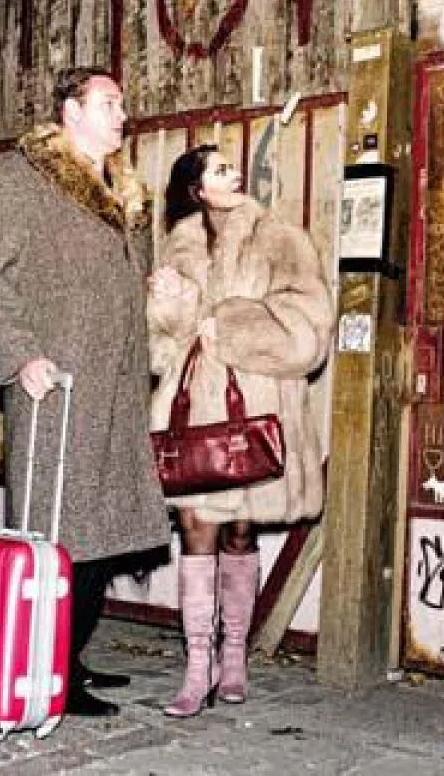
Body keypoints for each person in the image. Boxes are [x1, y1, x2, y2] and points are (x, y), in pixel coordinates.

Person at [0, 66, 171, 718]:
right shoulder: (21, 177)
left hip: (116, 386)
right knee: (60, 532)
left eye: (122, 104)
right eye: (109, 103)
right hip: (58, 384)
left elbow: (121, 287)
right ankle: (43, 665)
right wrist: (21, 353)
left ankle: (67, 657)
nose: (122, 115)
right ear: (70, 111)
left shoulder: (127, 195)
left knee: (104, 534)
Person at [146, 144, 334, 718]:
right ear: (196, 189)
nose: (231, 172)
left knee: (239, 536)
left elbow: (310, 328)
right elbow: (159, 346)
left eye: (232, 165)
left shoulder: (281, 239)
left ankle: (235, 657)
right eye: (217, 168)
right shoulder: (177, 247)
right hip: (193, 411)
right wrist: (170, 310)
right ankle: (196, 664)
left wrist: (228, 322)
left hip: (255, 408)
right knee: (197, 530)